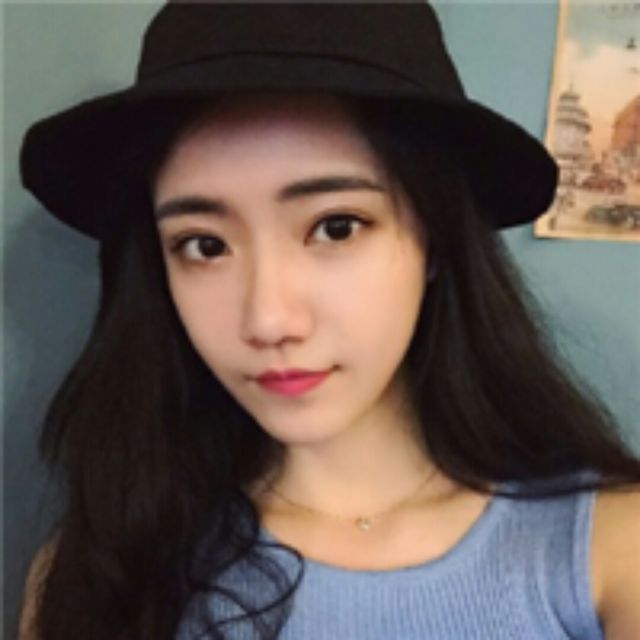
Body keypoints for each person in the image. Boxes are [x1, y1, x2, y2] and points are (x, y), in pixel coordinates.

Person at [16, 3, 640, 640]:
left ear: (435, 239)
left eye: (336, 227)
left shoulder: (610, 552)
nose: (268, 320)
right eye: (204, 245)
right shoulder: (96, 576)